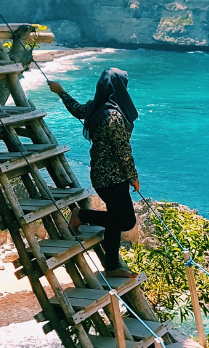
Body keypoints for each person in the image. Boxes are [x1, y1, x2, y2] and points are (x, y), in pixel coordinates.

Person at [48, 68, 140, 279]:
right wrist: (134, 176)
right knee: (126, 222)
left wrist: (61, 92)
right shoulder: (114, 115)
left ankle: (112, 266)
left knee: (115, 220)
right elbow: (123, 150)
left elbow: (76, 109)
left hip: (99, 177)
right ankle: (82, 215)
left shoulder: (96, 107)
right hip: (114, 178)